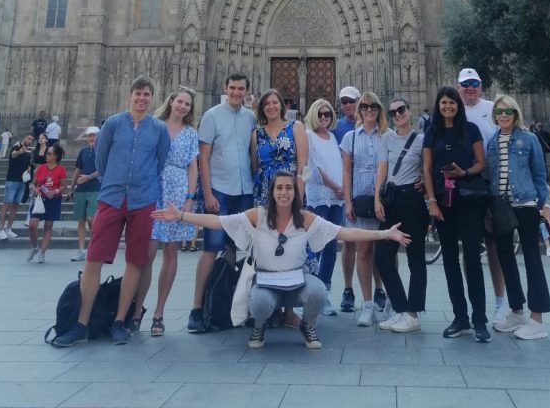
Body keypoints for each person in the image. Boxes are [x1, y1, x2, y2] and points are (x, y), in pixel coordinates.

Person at [153, 170, 411, 351]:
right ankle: (260, 327)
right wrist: (182, 216)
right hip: (266, 284)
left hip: (297, 282)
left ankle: (307, 326)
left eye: (289, 188)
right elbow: (219, 222)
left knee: (318, 291)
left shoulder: (305, 218)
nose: (284, 192)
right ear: (272, 192)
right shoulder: (259, 215)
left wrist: (385, 233)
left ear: (295, 193)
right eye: (279, 188)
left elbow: (344, 233)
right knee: (261, 301)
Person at [48, 75, 170, 347]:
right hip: (112, 197)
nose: (142, 98)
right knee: (93, 259)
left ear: (152, 98)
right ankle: (81, 323)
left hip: (143, 200)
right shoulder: (113, 125)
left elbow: (160, 163)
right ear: (130, 95)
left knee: (136, 261)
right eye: (138, 93)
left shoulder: (158, 129)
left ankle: (119, 320)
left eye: (146, 94)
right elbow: (101, 160)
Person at [187, 72, 255, 334]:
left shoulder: (250, 117)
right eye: (232, 88)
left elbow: (252, 156)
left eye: (241, 88)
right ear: (225, 89)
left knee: (240, 250)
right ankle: (196, 308)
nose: (236, 92)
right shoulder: (212, 115)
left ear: (247, 91)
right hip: (220, 191)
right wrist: (208, 194)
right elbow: (203, 157)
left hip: (244, 190)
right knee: (211, 247)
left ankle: (232, 306)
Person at [423, 86, 490, 342]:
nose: (448, 106)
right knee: (450, 261)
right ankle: (460, 317)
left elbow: (481, 162)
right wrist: (431, 201)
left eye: (452, 102)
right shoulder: (431, 133)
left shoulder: (470, 129)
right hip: (443, 203)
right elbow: (427, 169)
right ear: (438, 106)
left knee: (472, 258)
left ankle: (480, 320)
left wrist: (464, 173)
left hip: (469, 202)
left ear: (458, 105)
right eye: (444, 103)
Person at [486, 95, 550, 340]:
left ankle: (537, 318)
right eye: (499, 111)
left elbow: (539, 174)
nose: (503, 115)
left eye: (508, 111)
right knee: (505, 258)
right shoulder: (492, 142)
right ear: (494, 115)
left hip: (525, 204)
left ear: (516, 114)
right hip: (501, 206)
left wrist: (546, 203)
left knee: (532, 259)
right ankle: (516, 311)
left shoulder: (529, 139)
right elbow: (490, 177)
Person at [133, 86, 199, 337]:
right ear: (171, 102)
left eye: (187, 104)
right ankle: (137, 310)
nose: (183, 106)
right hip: (153, 189)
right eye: (180, 101)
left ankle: (159, 313)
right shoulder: (153, 125)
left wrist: (190, 198)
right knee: (148, 253)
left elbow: (193, 166)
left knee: (170, 250)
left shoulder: (191, 132)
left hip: (178, 192)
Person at [457, 67, 508, 325]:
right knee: (470, 249)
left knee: (495, 246)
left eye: (474, 83)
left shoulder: (494, 107)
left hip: (494, 186)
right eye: (465, 83)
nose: (470, 87)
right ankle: (474, 304)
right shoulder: (453, 111)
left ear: (481, 85)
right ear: (458, 87)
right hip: (467, 187)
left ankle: (501, 303)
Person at [374, 98, 428, 333]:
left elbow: (428, 169)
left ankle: (413, 314)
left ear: (410, 111)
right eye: (393, 111)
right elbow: (382, 168)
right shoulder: (386, 138)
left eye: (401, 110)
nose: (398, 114)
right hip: (392, 199)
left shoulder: (423, 140)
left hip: (413, 202)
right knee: (382, 257)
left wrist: (426, 182)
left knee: (415, 258)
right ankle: (399, 308)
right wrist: (377, 197)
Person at [332, 85, 386, 315]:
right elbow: (345, 169)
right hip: (358, 197)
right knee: (359, 247)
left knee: (383, 250)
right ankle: (359, 297)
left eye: (371, 106)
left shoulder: (387, 136)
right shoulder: (343, 131)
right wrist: (347, 200)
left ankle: (383, 293)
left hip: (383, 198)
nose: (367, 109)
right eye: (364, 106)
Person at [304, 98, 344, 316]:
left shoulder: (332, 137)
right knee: (314, 246)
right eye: (319, 114)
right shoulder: (308, 136)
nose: (323, 118)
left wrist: (342, 189)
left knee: (330, 246)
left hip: (337, 198)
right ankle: (310, 292)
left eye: (327, 114)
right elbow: (314, 167)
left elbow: (338, 164)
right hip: (319, 196)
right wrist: (335, 186)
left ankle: (324, 292)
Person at [251, 88, 308, 205]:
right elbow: (254, 166)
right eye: (267, 103)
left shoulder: (296, 127)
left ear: (281, 106)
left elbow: (304, 166)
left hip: (289, 190)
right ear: (262, 108)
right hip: (263, 191)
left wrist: (299, 196)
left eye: (275, 102)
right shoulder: (257, 133)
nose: (271, 106)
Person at [27, 142, 66, 263]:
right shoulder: (41, 168)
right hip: (40, 199)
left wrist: (55, 191)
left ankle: (42, 253)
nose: (46, 156)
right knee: (32, 225)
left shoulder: (61, 169)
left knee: (48, 226)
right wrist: (34, 189)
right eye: (46, 153)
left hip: (53, 200)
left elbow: (64, 186)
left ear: (56, 156)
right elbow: (33, 183)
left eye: (49, 154)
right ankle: (34, 247)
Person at [68, 126, 101, 262]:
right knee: (81, 220)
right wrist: (71, 188)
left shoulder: (102, 152)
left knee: (91, 219)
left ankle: (95, 247)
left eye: (94, 135)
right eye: (89, 136)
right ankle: (82, 250)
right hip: (81, 189)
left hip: (95, 188)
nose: (91, 138)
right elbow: (77, 170)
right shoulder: (83, 152)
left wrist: (88, 177)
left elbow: (102, 170)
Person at [0, 134, 33, 240]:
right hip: (12, 180)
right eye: (28, 138)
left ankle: (9, 228)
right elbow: (13, 155)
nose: (30, 141)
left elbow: (28, 164)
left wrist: (29, 169)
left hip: (22, 181)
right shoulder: (17, 146)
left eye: (31, 139)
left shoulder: (28, 152)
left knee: (16, 205)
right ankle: (1, 230)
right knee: (6, 204)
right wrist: (19, 152)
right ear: (24, 138)